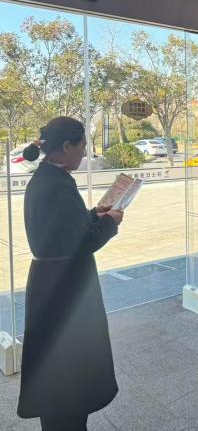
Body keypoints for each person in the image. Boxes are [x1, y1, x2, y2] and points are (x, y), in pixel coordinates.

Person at [17, 117, 124, 431]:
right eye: (82, 146)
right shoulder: (58, 184)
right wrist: (110, 222)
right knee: (70, 377)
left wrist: (94, 214)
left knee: (59, 378)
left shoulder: (46, 178)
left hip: (52, 284)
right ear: (66, 146)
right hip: (66, 290)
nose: (84, 153)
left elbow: (64, 230)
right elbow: (82, 242)